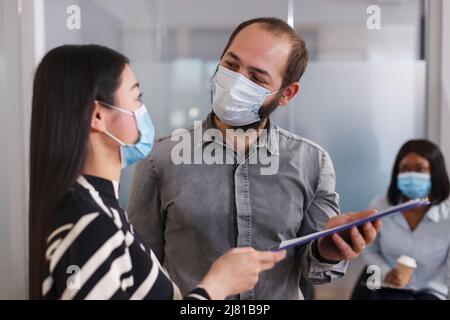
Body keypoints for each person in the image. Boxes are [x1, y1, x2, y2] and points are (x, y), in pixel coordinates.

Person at [127, 17, 381, 300]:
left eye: (256, 78)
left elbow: (316, 271)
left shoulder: (311, 163)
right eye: (231, 65)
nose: (236, 82)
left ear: (287, 93)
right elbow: (139, 268)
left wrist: (327, 251)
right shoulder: (161, 158)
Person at [28, 44, 287, 300]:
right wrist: (216, 287)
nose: (142, 110)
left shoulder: (97, 208)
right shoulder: (87, 223)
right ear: (97, 115)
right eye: (136, 97)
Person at [362, 139, 450, 300]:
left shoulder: (447, 216)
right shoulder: (380, 206)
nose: (411, 175)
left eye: (420, 169)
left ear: (435, 173)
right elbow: (369, 250)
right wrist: (386, 272)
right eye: (404, 169)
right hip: (389, 289)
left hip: (432, 291)